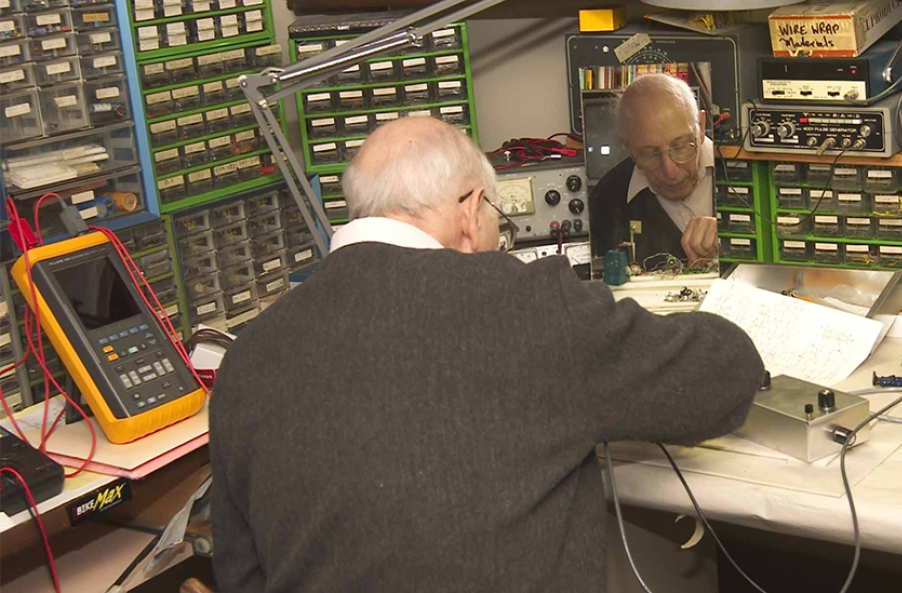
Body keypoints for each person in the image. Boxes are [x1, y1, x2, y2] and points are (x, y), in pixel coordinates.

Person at [209, 117, 764, 593]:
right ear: (471, 213)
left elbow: (241, 576)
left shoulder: (246, 357)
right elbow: (723, 377)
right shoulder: (528, 305)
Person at [588, 73, 718, 266]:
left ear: (700, 127)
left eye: (681, 146)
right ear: (628, 147)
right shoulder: (604, 202)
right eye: (650, 154)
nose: (670, 172)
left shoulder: (743, 170)